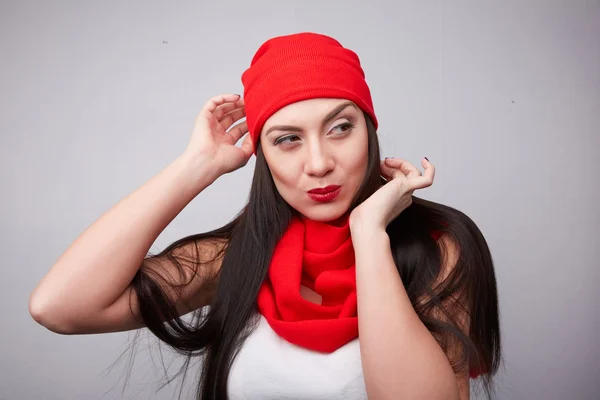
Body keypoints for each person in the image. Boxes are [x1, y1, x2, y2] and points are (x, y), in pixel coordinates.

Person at [29, 32, 501, 400]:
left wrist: (369, 236)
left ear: (369, 131)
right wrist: (196, 166)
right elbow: (59, 306)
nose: (318, 163)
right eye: (286, 139)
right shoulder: (240, 258)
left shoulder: (438, 245)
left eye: (340, 127)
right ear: (263, 155)